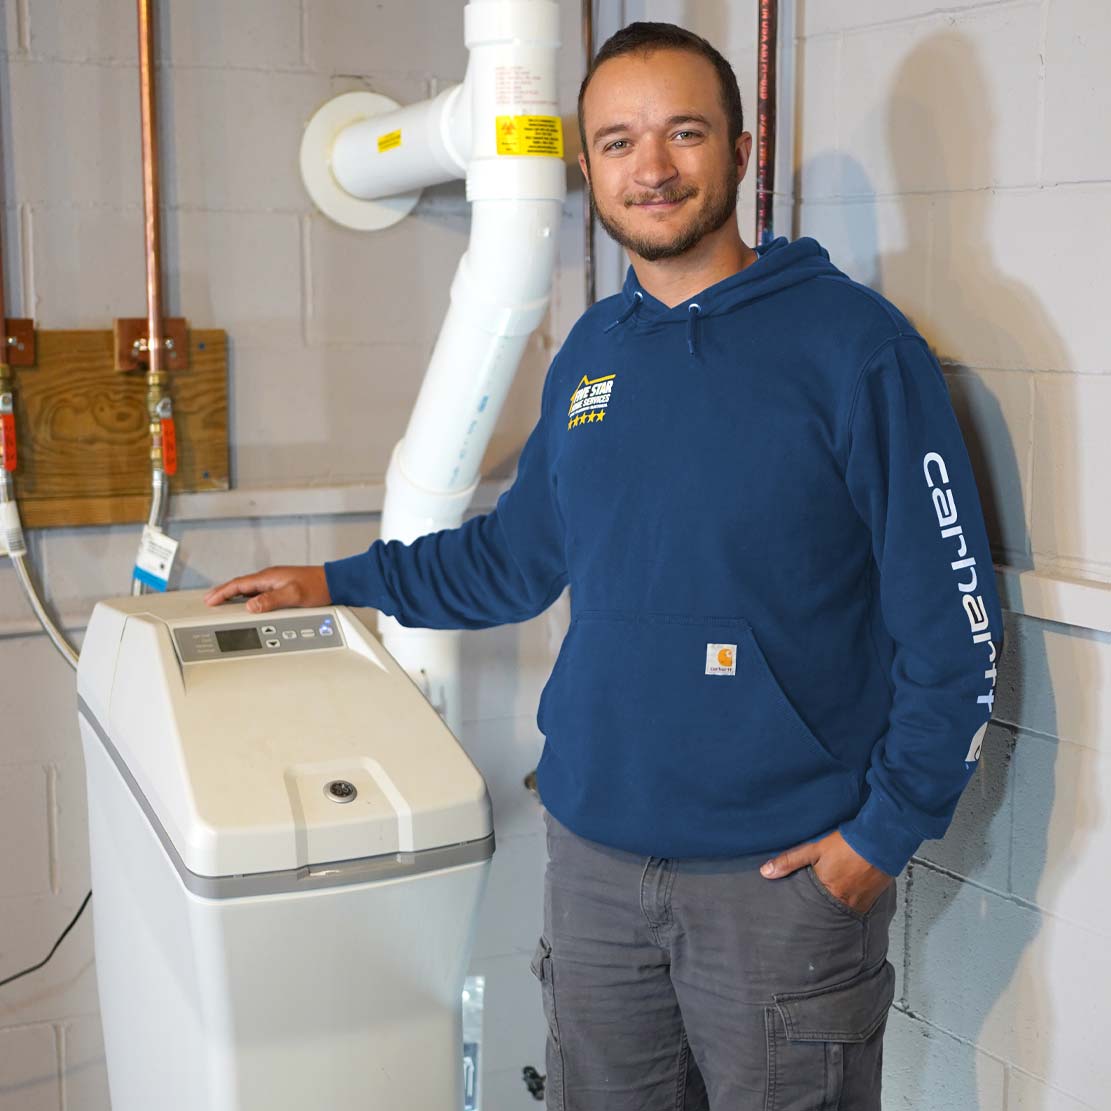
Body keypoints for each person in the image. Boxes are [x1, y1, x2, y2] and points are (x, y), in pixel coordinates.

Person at [205, 21, 1004, 1110]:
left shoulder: (855, 348)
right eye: (620, 141)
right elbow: (516, 557)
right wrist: (338, 581)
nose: (654, 166)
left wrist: (883, 833)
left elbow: (953, 623)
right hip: (594, 873)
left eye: (684, 132)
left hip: (778, 887)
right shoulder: (592, 354)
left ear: (739, 145)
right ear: (587, 168)